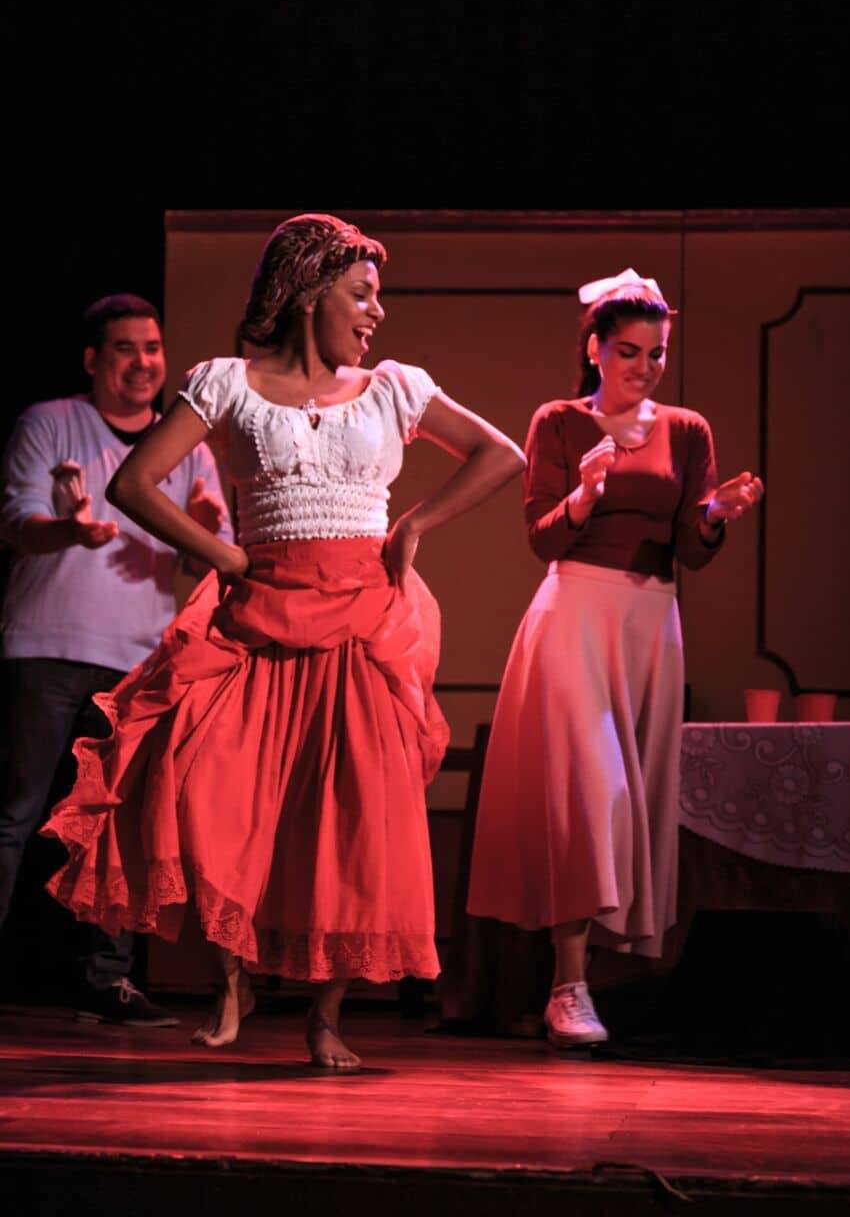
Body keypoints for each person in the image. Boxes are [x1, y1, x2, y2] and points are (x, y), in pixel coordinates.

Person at [41, 214, 526, 1068]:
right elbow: (134, 483)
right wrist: (225, 555)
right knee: (222, 796)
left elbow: (500, 455)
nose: (376, 312)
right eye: (361, 294)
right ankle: (233, 979)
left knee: (353, 816)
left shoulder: (393, 387)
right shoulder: (225, 383)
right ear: (309, 293)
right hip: (257, 616)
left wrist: (413, 525)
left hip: (362, 624)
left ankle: (325, 1015)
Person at [466, 268, 764, 1048]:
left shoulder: (686, 430)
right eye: (628, 352)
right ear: (594, 350)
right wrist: (585, 495)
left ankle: (588, 978)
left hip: (649, 621)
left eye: (655, 353)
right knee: (590, 794)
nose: (644, 367)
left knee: (630, 800)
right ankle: (567, 986)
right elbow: (542, 539)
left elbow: (690, 552)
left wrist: (713, 513)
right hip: (573, 614)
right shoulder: (559, 422)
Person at [0, 293, 233, 1025]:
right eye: (126, 348)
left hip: (140, 660)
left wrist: (201, 533)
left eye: (153, 347)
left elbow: (213, 561)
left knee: (116, 827)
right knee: (15, 815)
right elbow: (17, 526)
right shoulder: (50, 421)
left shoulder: (187, 444)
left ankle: (108, 980)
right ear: (93, 360)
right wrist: (69, 531)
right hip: (48, 647)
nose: (143, 362)